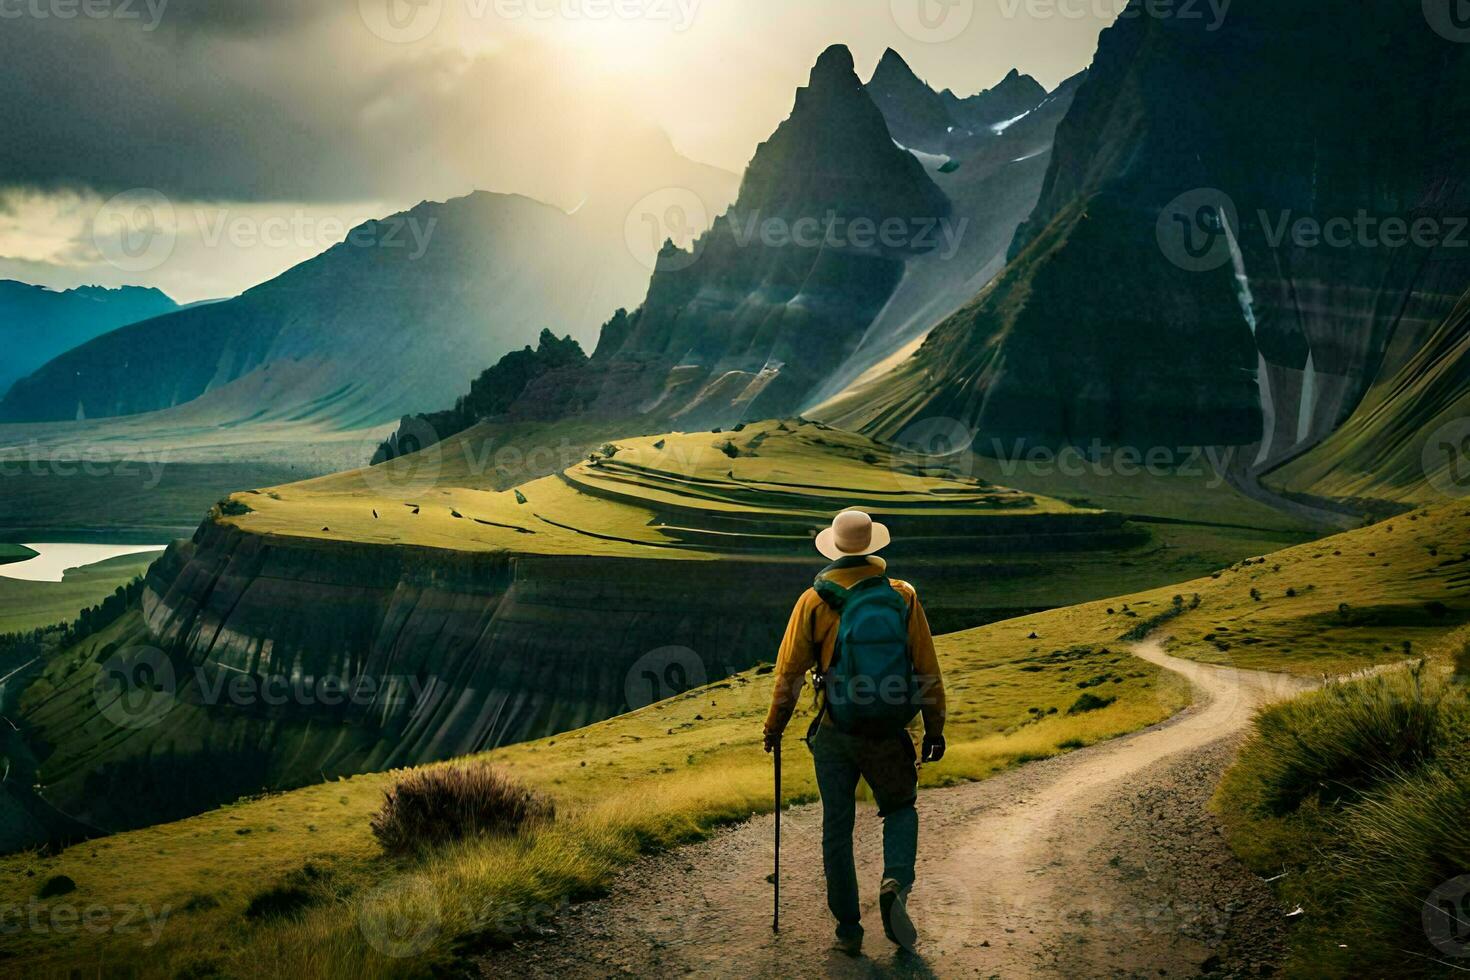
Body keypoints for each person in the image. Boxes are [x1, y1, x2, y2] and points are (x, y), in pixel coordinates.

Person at [763, 508, 947, 957]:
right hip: (887, 729)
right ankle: (895, 882)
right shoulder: (902, 596)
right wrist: (934, 729)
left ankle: (848, 928)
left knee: (837, 827)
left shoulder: (813, 601)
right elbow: (926, 668)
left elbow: (788, 674)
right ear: (873, 546)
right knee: (901, 808)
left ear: (834, 547)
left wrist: (775, 726)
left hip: (835, 730)